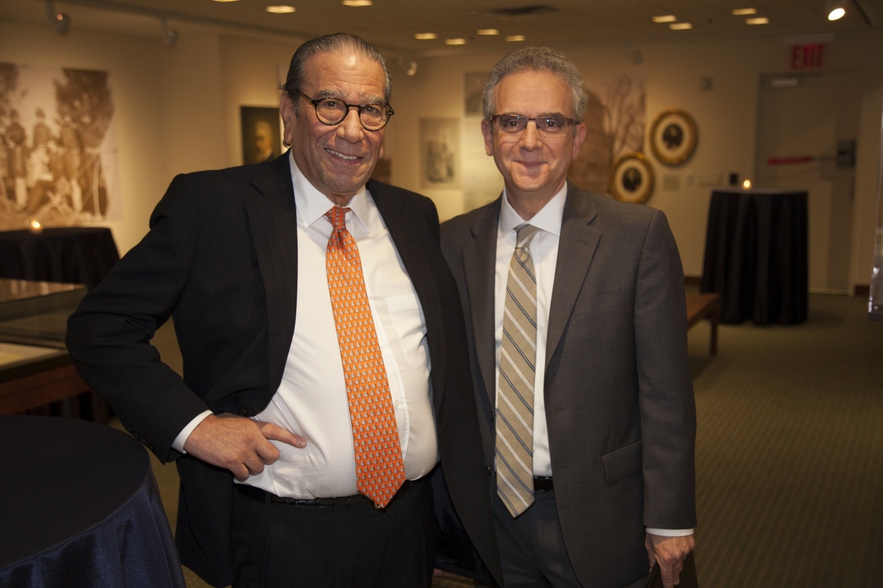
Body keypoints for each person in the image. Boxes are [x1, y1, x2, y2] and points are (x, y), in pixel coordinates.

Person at [67, 32, 501, 588]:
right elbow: (100, 329)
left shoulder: (413, 215)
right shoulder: (213, 208)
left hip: (409, 530)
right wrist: (195, 427)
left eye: (370, 110)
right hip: (281, 536)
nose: (352, 129)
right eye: (330, 105)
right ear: (289, 112)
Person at [440, 47, 697, 588]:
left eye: (550, 123)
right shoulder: (450, 242)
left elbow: (666, 393)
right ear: (488, 137)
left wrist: (669, 516)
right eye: (512, 122)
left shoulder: (637, 237)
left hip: (601, 514)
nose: (530, 141)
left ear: (577, 138)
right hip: (491, 520)